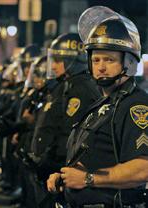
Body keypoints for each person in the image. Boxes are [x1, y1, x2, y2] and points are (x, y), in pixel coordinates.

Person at [47, 6, 148, 207]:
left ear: (128, 62)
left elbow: (143, 168)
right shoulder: (103, 105)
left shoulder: (135, 105)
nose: (101, 66)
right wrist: (65, 177)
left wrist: (88, 179)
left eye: (109, 59)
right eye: (96, 59)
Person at [28, 33, 101, 208]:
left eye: (58, 60)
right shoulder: (70, 84)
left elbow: (71, 132)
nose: (52, 65)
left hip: (66, 166)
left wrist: (52, 161)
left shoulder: (80, 89)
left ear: (72, 61)